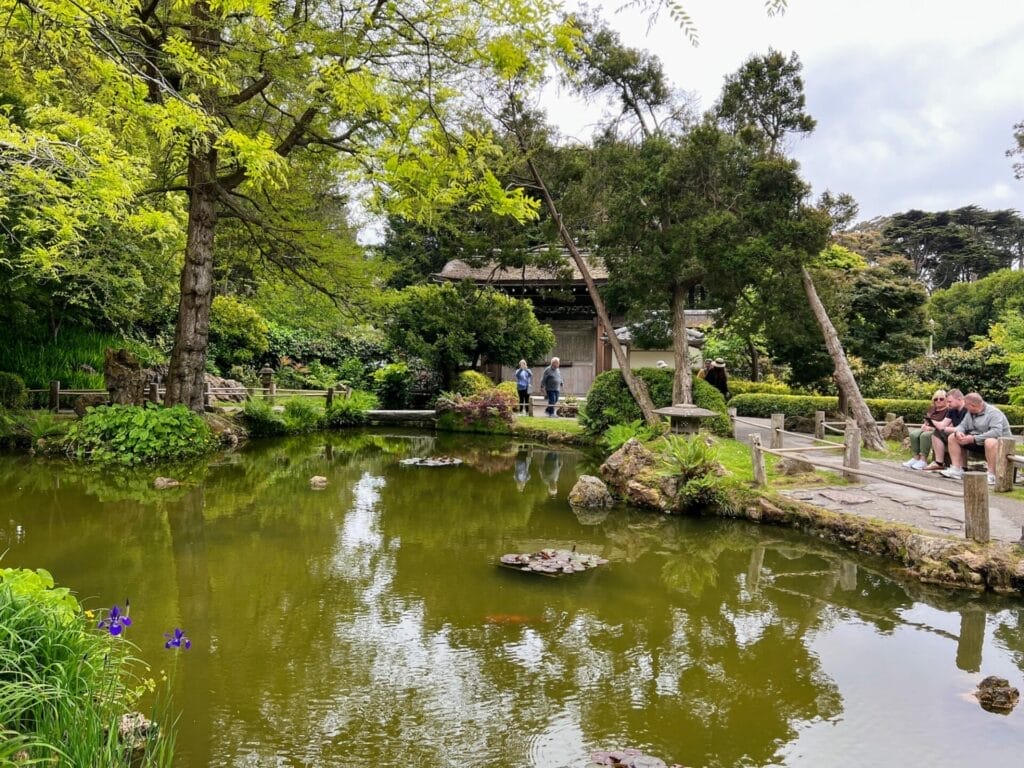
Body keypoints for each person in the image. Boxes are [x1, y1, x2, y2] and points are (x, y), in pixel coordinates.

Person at [939, 392, 1012, 485]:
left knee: (990, 441)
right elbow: (962, 426)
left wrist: (973, 438)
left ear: (973, 405)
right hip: (978, 441)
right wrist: (959, 432)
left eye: (966, 405)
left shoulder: (994, 413)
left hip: (1000, 445)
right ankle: (957, 469)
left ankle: (992, 475)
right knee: (953, 437)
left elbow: (996, 432)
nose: (965, 408)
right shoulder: (970, 412)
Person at [902, 389, 947, 470]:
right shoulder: (932, 409)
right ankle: (915, 458)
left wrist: (931, 428)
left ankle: (923, 460)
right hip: (927, 428)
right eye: (936, 399)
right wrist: (924, 425)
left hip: (937, 431)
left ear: (946, 399)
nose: (938, 401)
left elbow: (944, 425)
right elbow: (927, 420)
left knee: (925, 436)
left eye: (941, 399)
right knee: (914, 434)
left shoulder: (948, 410)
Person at [927, 388, 967, 469]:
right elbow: (943, 425)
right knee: (937, 433)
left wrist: (950, 429)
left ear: (959, 399)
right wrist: (931, 421)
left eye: (950, 402)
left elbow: (966, 428)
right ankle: (939, 463)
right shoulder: (952, 410)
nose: (948, 404)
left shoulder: (967, 410)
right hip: (957, 432)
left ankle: (961, 467)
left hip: (967, 434)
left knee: (955, 436)